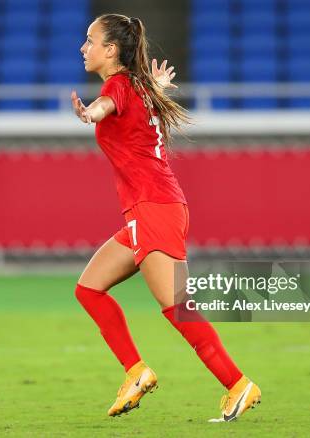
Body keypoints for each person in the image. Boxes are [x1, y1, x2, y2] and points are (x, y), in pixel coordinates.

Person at [71, 13, 261, 422]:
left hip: (152, 208)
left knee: (177, 307)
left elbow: (108, 104)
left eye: (90, 40)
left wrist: (92, 112)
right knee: (89, 289)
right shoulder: (138, 86)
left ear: (111, 50)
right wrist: (151, 89)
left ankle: (238, 384)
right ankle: (137, 372)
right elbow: (129, 104)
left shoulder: (117, 86)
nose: (83, 48)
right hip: (156, 207)